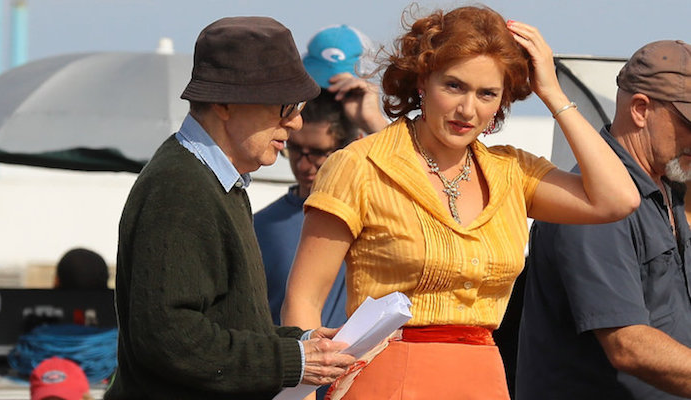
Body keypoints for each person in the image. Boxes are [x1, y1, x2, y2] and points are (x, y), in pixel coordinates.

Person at [281, 5, 640, 399]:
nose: (468, 110)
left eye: (487, 94)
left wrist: (553, 93)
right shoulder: (360, 164)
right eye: (454, 86)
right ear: (423, 79)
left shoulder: (512, 172)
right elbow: (303, 300)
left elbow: (618, 199)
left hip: (484, 380)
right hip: (386, 380)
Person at [103, 16, 355, 400]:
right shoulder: (180, 187)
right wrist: (293, 359)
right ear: (224, 103)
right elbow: (170, 338)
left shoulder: (210, 181)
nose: (295, 122)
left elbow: (225, 326)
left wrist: (301, 342)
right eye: (285, 106)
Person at [517, 40, 691, 399]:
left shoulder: (667, 193)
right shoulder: (590, 206)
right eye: (689, 124)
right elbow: (627, 344)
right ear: (640, 110)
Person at [255, 24, 386, 329]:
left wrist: (375, 122)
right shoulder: (259, 226)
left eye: (319, 153)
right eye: (295, 150)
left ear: (354, 145)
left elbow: (427, 186)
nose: (304, 165)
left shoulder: (386, 210)